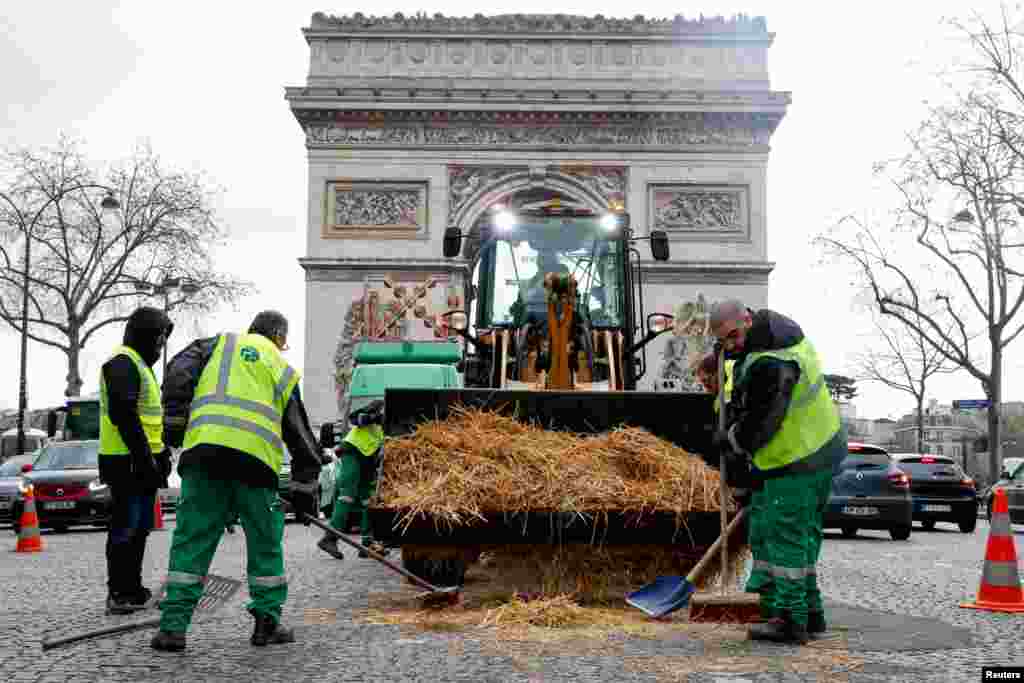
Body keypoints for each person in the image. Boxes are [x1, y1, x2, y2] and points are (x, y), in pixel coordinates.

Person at [151, 311, 326, 652]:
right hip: (255, 465)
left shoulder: (217, 345)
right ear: (277, 335)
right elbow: (298, 430)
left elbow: (178, 369)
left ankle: (173, 627)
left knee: (191, 542)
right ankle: (266, 623)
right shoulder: (279, 366)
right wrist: (306, 483)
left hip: (204, 456)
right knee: (265, 544)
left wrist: (174, 420)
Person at [708, 300, 846, 645]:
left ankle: (790, 619)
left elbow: (762, 423)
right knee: (791, 532)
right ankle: (809, 613)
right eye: (725, 341)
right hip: (813, 452)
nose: (732, 345)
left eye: (734, 336)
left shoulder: (772, 361)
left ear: (748, 319)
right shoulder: (770, 343)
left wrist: (732, 440)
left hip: (800, 457)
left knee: (785, 535)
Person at [98, 307, 175, 615]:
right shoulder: (122, 363)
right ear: (144, 334)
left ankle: (132, 589)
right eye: (158, 336)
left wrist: (161, 455)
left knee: (139, 528)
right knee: (125, 529)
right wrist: (146, 459)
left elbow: (149, 421)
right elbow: (124, 416)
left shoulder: (140, 365)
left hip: (141, 462)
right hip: (126, 462)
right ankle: (118, 592)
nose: (161, 344)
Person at [317, 399, 388, 560]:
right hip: (353, 452)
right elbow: (354, 418)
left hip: (368, 459)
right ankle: (329, 538)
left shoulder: (395, 423)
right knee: (347, 495)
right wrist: (374, 417)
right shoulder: (379, 406)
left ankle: (367, 544)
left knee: (368, 500)